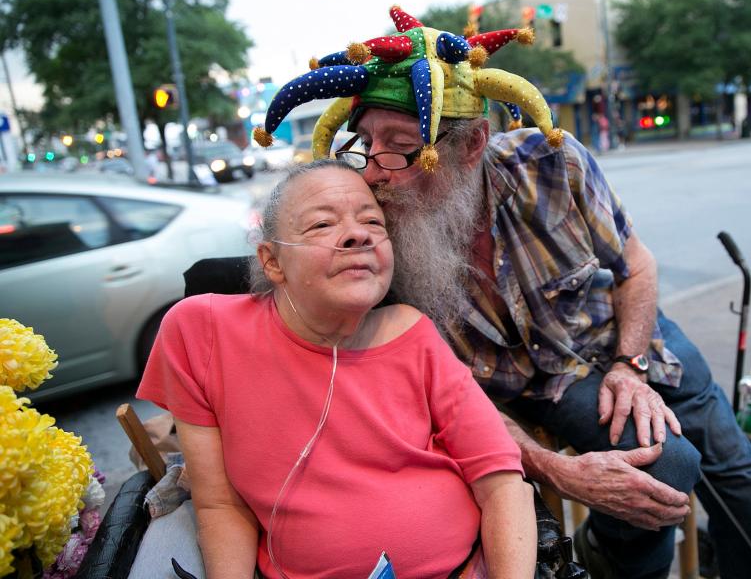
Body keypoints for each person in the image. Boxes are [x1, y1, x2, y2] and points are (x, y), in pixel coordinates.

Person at [254, 5, 751, 579]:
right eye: (366, 143)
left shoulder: (552, 162)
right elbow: (448, 399)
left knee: (743, 483)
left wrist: (630, 365)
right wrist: (551, 469)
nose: (374, 171)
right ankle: (607, 558)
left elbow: (635, 266)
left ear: (471, 147)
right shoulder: (378, 239)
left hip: (629, 337)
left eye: (399, 147)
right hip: (534, 388)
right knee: (664, 471)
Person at [136, 159, 536, 579]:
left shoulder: (415, 335)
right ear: (272, 261)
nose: (358, 234)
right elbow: (220, 504)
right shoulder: (201, 331)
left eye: (372, 222)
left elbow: (503, 484)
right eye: (322, 225)